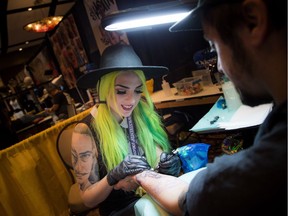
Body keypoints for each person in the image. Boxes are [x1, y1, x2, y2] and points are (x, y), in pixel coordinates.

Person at [128, 0, 287, 215]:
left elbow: (191, 198)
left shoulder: (267, 171)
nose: (220, 66)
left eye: (215, 46)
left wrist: (142, 175)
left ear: (253, 21)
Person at [71, 43, 181, 216]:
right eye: (121, 91)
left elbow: (159, 156)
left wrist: (170, 166)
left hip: (155, 196)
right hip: (121, 210)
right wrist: (112, 177)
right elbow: (87, 199)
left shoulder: (142, 113)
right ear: (105, 89)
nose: (131, 100)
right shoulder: (85, 130)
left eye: (137, 91)